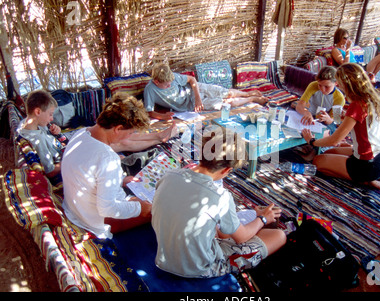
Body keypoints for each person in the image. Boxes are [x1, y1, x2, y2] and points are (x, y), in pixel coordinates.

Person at [151, 127, 286, 278]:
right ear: (226, 170)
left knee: (223, 230)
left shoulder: (169, 175)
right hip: (198, 268)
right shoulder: (221, 197)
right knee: (279, 236)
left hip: (164, 256)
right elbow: (242, 238)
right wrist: (263, 219)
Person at [61, 93, 153, 239]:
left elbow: (90, 173)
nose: (129, 137)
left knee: (144, 199)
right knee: (158, 205)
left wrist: (121, 180)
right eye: (130, 133)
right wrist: (141, 208)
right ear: (118, 128)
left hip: (75, 209)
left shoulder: (81, 133)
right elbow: (108, 209)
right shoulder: (107, 158)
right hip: (93, 220)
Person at [301, 63, 380, 192]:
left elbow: (334, 140)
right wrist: (344, 117)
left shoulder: (357, 105)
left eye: (339, 83)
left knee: (318, 161)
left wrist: (312, 141)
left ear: (347, 84)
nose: (338, 86)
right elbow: (363, 123)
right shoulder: (376, 97)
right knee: (329, 152)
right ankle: (378, 175)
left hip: (368, 164)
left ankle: (369, 180)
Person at [144, 63, 269, 120]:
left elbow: (192, 80)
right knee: (227, 104)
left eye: (170, 82)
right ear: (156, 81)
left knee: (226, 92)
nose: (170, 85)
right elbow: (150, 112)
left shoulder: (171, 76)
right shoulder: (150, 90)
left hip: (197, 89)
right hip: (190, 105)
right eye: (167, 85)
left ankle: (247, 93)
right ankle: (251, 99)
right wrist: (161, 116)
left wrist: (198, 98)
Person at [17, 90, 64, 180]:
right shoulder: (38, 140)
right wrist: (68, 161)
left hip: (58, 147)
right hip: (61, 162)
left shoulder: (27, 124)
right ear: (38, 112)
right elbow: (50, 171)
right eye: (50, 114)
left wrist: (56, 132)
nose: (52, 119)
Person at [293, 66, 345, 134]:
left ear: (336, 83)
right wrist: (306, 112)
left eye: (327, 86)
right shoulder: (313, 85)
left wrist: (327, 119)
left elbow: (335, 121)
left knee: (331, 132)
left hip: (324, 121)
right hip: (310, 115)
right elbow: (300, 105)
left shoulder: (339, 98)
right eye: (320, 85)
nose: (323, 89)